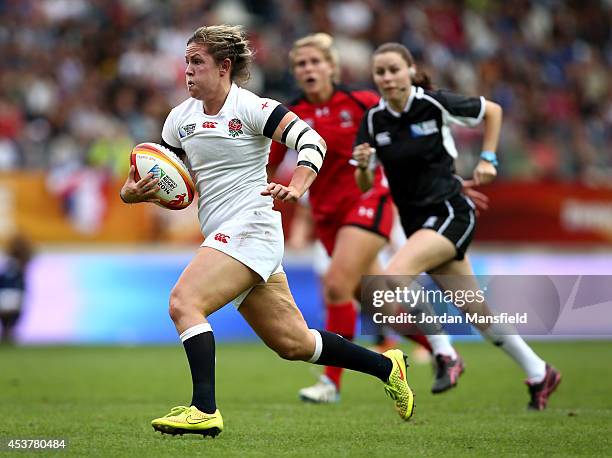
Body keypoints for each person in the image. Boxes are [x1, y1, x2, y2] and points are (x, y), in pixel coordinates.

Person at [119, 25, 414, 437]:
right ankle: (387, 366)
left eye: (196, 62)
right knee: (293, 343)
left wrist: (297, 185)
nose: (186, 71)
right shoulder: (179, 119)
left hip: (252, 227)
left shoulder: (255, 108)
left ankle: (203, 408)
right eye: (186, 61)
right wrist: (132, 193)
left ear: (224, 67)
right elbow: (165, 176)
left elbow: (311, 141)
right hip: (224, 233)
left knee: (184, 301)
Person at [269, 33, 486, 403]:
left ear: (332, 67)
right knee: (376, 301)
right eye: (301, 64)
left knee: (336, 284)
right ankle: (443, 352)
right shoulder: (290, 116)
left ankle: (331, 384)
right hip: (327, 215)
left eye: (315, 62)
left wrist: (447, 183)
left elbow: (415, 141)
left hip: (368, 201)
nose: (308, 69)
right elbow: (268, 165)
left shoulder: (361, 102)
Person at [352, 42, 561, 411]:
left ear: (410, 69)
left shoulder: (433, 103)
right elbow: (364, 185)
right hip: (419, 222)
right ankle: (539, 371)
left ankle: (445, 353)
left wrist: (488, 158)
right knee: (477, 312)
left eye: (393, 69)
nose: (387, 78)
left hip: (451, 212)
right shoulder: (373, 120)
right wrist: (365, 166)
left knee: (390, 279)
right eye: (380, 72)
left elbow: (492, 110)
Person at [0, 234, 33, 344]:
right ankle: (9, 334)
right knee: (12, 319)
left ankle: (7, 334)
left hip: (5, 295)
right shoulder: (19, 267)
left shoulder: (7, 262)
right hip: (14, 296)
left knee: (7, 320)